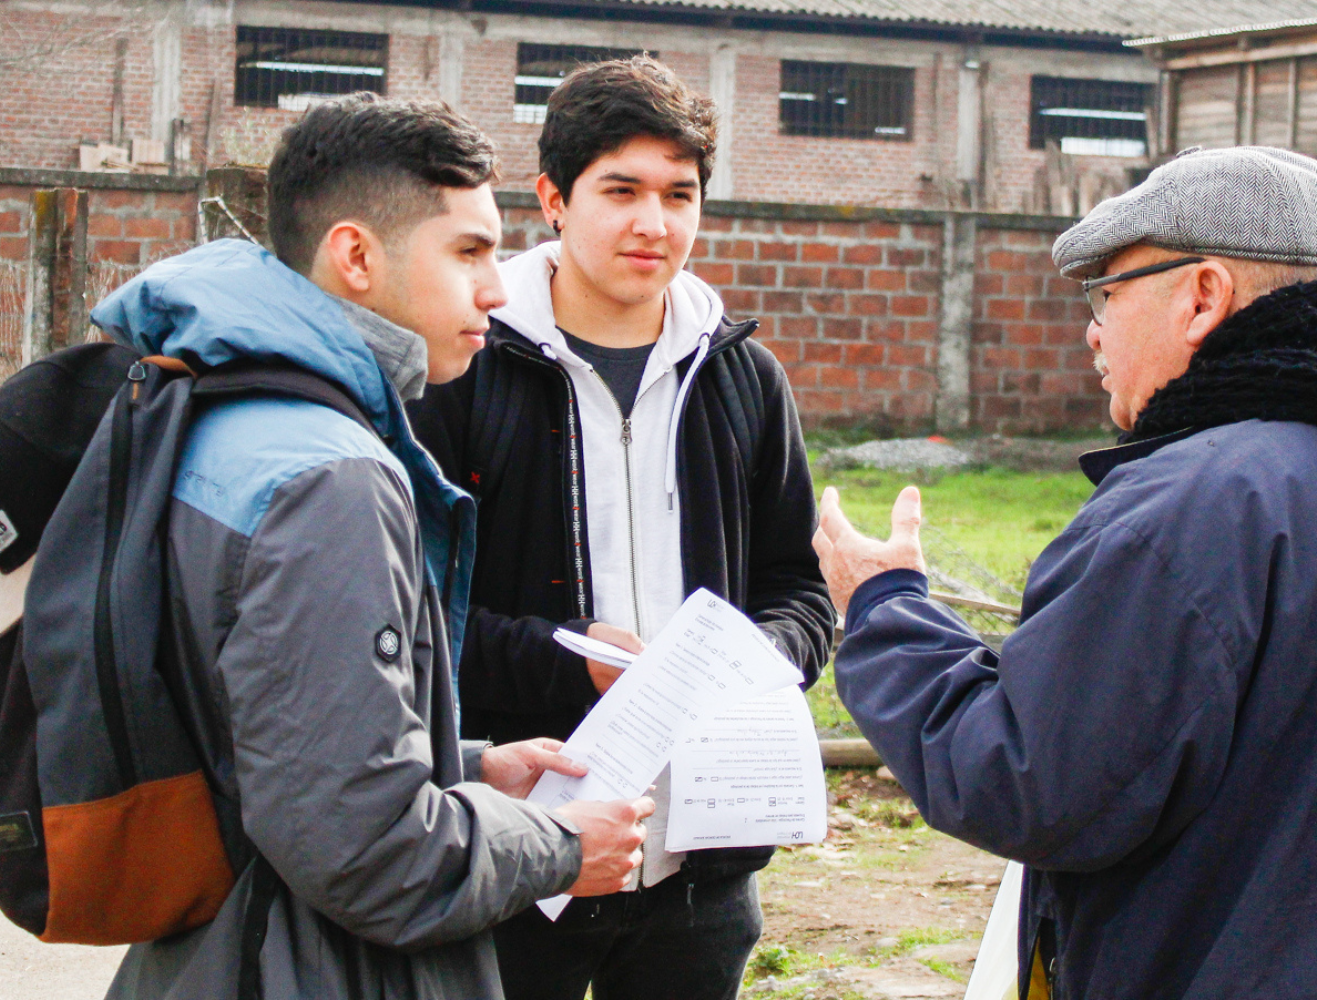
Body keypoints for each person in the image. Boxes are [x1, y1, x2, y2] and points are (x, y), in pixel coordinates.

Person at [814, 146, 1317, 1000]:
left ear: (1202, 296)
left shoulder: (1185, 508)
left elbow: (1031, 781)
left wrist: (884, 610)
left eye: (1108, 293)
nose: (1092, 329)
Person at [93, 94, 653, 1000]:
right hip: (304, 967)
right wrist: (559, 845)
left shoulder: (211, 407)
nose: (497, 287)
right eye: (468, 251)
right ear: (356, 255)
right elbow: (364, 851)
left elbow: (265, 744)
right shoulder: (331, 479)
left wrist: (466, 768)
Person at [408, 56, 835, 1000]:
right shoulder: (464, 370)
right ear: (553, 200)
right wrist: (571, 661)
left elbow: (799, 589)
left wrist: (753, 662)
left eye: (680, 194)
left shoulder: (740, 375)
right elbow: (408, 618)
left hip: (702, 865)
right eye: (622, 190)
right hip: (517, 850)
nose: (655, 223)